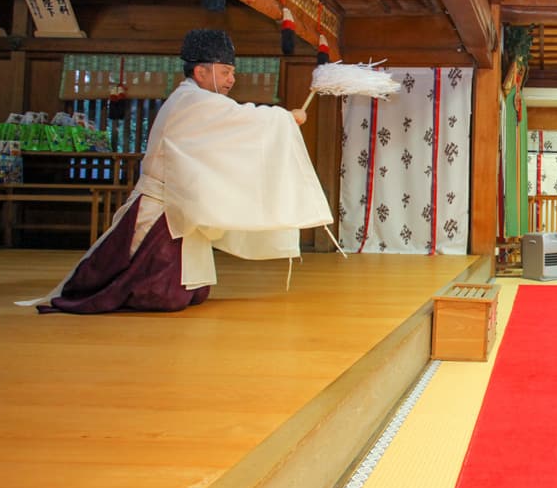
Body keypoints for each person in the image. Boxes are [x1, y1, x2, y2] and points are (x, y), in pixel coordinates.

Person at [25, 29, 333, 314]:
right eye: (225, 72)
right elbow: (243, 119)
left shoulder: (197, 100)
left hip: (177, 204)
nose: (231, 80)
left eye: (232, 73)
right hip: (160, 207)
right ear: (201, 72)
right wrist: (285, 118)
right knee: (161, 294)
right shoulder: (193, 100)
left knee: (192, 292)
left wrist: (281, 120)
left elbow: (229, 132)